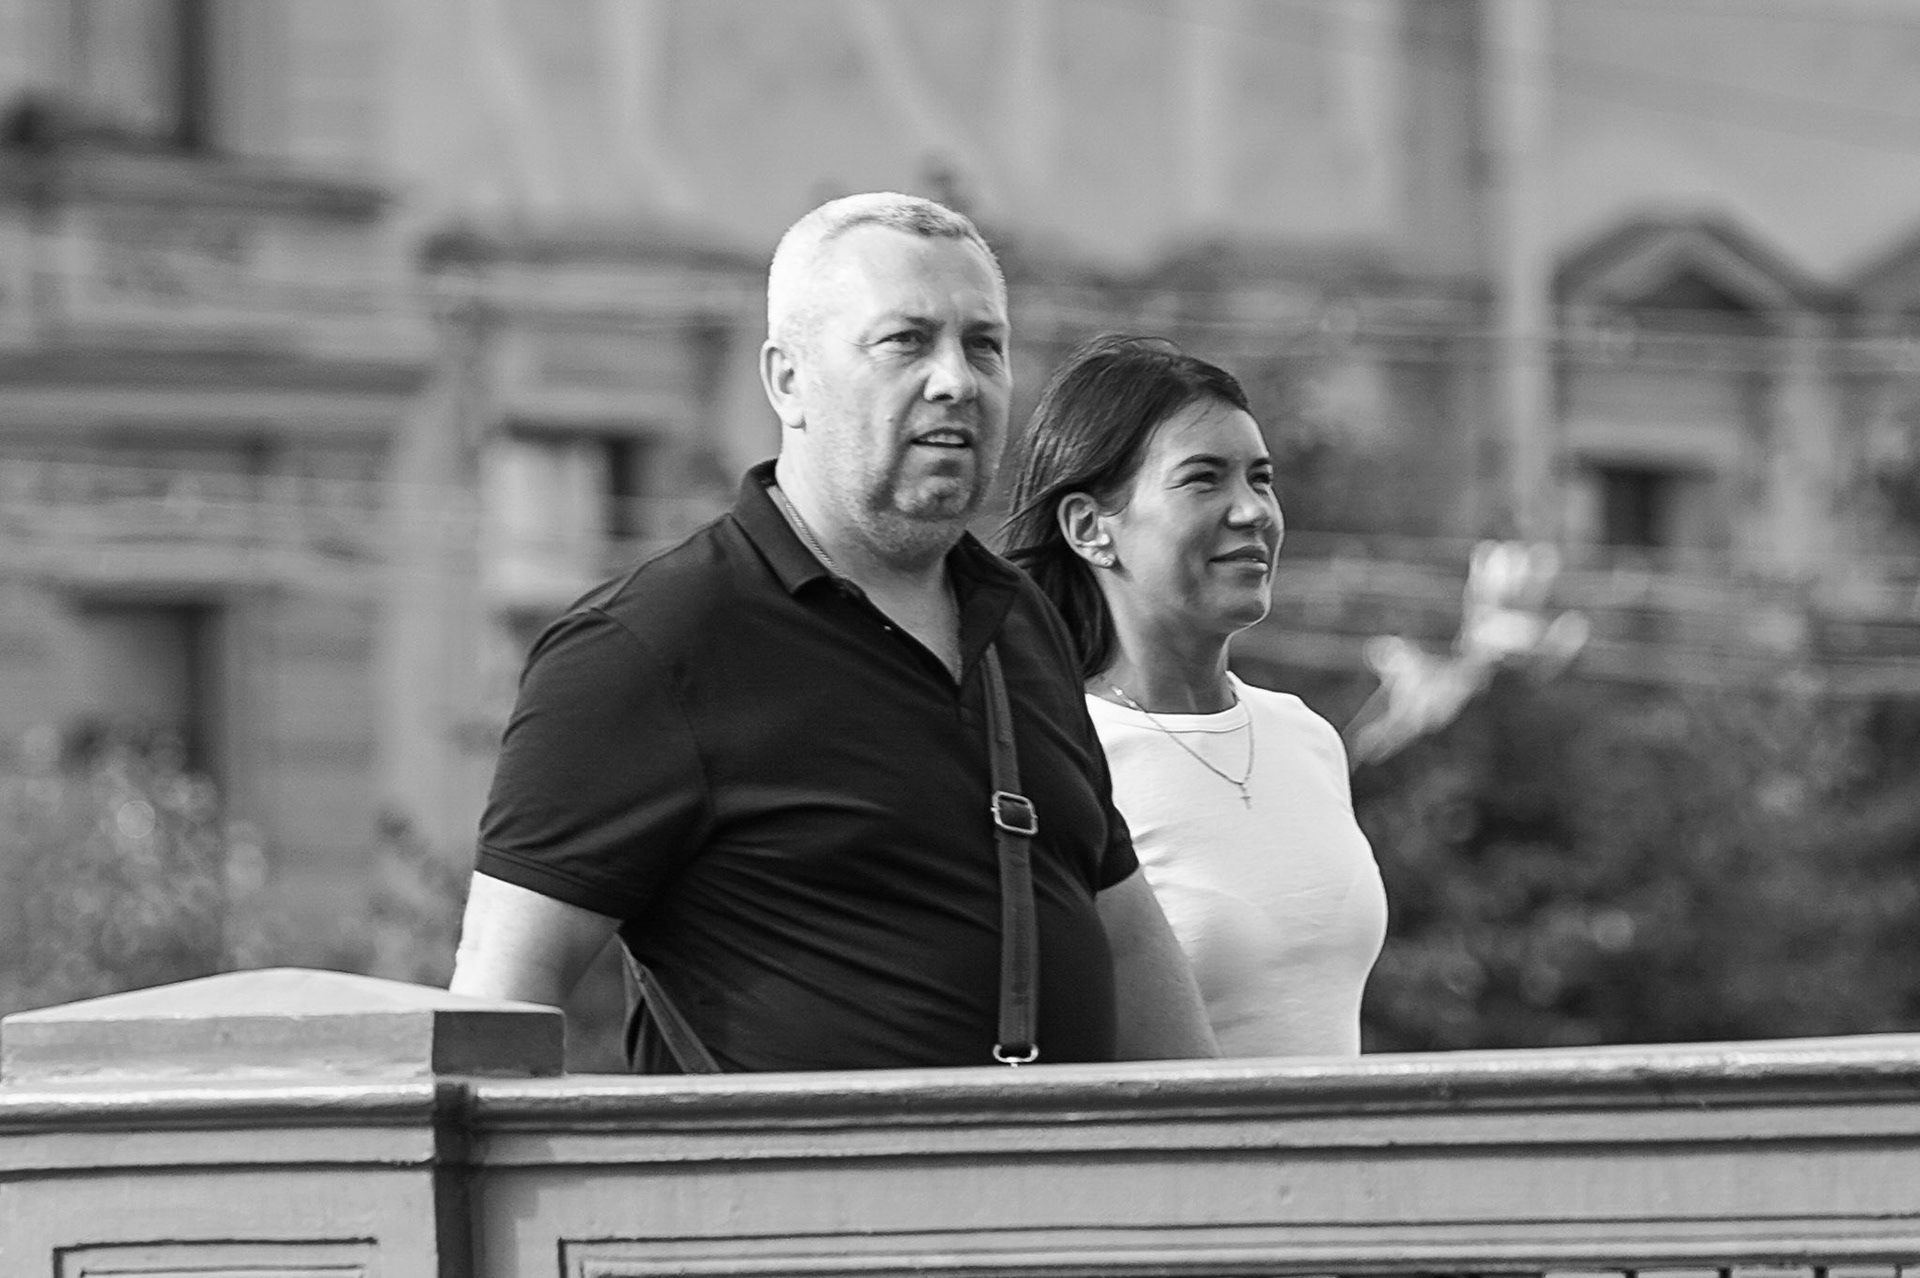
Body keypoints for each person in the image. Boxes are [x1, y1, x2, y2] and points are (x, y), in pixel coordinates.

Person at [449, 196, 1217, 1072]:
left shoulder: (1021, 620)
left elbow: (1123, 933)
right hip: (786, 1170)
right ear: (788, 380)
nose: (957, 381)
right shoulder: (649, 646)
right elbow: (503, 997)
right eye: (905, 341)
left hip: (1067, 1166)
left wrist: (1218, 1145)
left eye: (984, 346)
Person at [1001, 335, 1386, 1058]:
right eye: (1203, 480)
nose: (1252, 511)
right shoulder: (1055, 758)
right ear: (1089, 528)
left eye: (1261, 479)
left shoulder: (1304, 736)